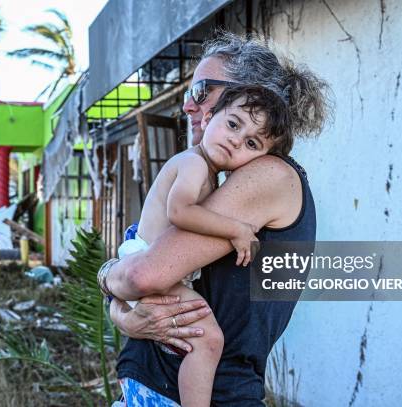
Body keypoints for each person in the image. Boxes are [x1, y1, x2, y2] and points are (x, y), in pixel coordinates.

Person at [103, 32, 330, 405]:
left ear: (249, 93)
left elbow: (142, 275)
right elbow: (146, 279)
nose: (188, 107)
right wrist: (122, 310)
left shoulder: (270, 175)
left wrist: (113, 281)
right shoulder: (212, 178)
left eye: (201, 91)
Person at [114, 84, 296, 407]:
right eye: (233, 124)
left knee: (199, 338)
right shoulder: (194, 164)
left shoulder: (214, 175)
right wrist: (236, 229)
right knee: (209, 340)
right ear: (210, 119)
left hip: (146, 267)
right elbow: (180, 211)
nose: (235, 141)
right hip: (144, 259)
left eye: (251, 143)